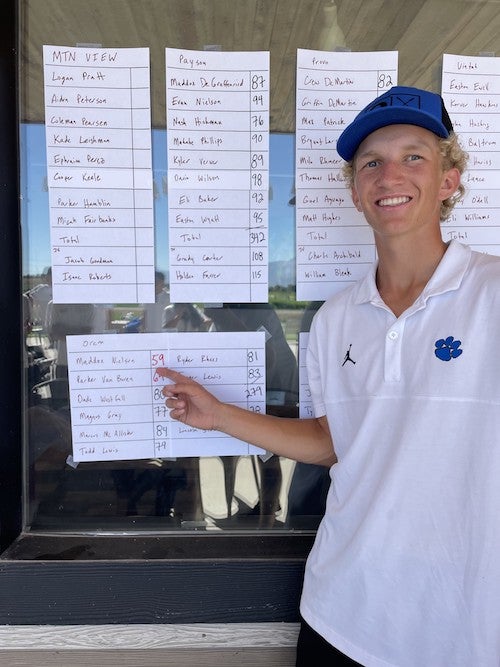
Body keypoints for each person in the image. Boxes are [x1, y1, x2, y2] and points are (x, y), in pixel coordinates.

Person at [157, 86, 500, 666]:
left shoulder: (492, 293)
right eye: (372, 163)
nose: (390, 174)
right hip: (343, 614)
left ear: (449, 180)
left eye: (414, 156)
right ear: (357, 193)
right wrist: (218, 416)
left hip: (466, 625)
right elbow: (333, 441)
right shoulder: (337, 316)